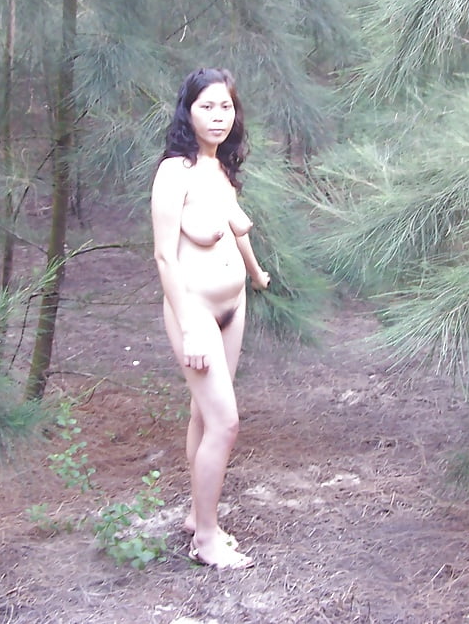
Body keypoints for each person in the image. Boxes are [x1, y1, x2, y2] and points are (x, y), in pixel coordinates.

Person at [150, 67, 270, 570]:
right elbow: (164, 257)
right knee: (225, 422)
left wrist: (256, 274)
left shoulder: (221, 168)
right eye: (207, 107)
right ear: (188, 111)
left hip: (233, 307)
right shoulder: (174, 172)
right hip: (194, 311)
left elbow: (234, 230)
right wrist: (191, 327)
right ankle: (206, 540)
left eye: (226, 107)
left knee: (204, 414)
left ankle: (198, 516)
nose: (218, 116)